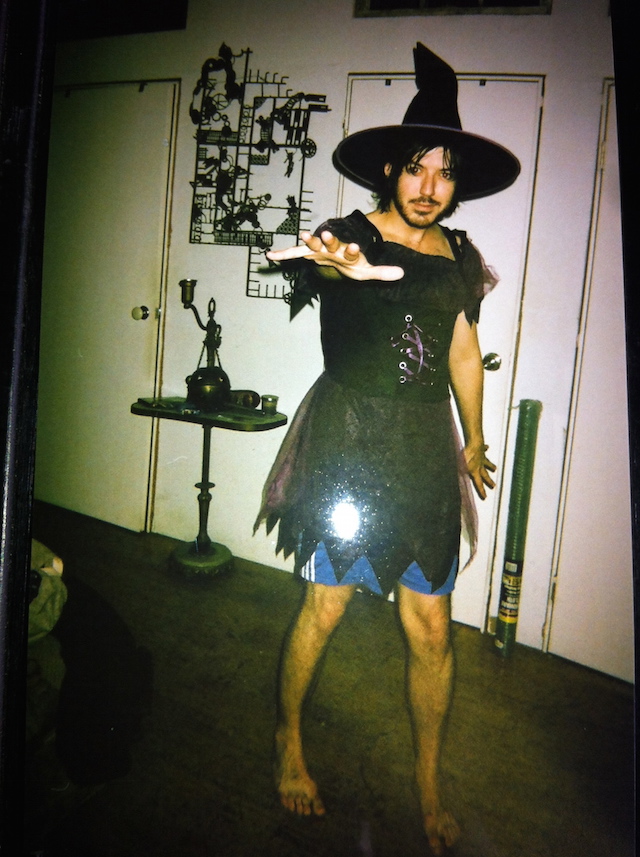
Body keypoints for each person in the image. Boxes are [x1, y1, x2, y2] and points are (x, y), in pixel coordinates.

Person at [255, 43, 520, 855]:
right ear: (389, 172)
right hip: (348, 441)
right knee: (326, 605)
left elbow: (462, 351)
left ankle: (429, 783)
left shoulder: (459, 256)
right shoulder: (350, 234)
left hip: (422, 451)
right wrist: (345, 268)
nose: (429, 186)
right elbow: (338, 271)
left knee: (432, 627)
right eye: (415, 168)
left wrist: (474, 438)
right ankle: (288, 738)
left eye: (444, 173)